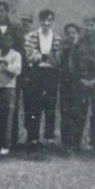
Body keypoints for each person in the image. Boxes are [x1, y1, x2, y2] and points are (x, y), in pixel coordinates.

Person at [69, 21, 95, 153]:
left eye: (92, 25)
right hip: (81, 83)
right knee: (78, 114)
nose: (89, 28)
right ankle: (75, 145)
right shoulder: (78, 45)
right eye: (87, 25)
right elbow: (73, 65)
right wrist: (81, 80)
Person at [23, 9, 62, 146]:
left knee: (50, 105)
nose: (47, 23)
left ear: (53, 21)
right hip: (36, 73)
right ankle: (33, 136)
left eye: (50, 20)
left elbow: (58, 59)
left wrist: (43, 57)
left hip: (51, 74)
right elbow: (29, 56)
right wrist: (45, 56)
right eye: (44, 20)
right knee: (35, 105)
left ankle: (49, 136)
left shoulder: (57, 38)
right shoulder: (31, 36)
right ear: (40, 21)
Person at [59, 22, 81, 150]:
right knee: (65, 112)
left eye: (73, 33)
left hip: (78, 83)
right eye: (69, 33)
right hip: (65, 83)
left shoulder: (82, 48)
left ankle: (76, 142)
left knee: (77, 112)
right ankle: (66, 142)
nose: (71, 35)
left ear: (78, 34)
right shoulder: (63, 49)